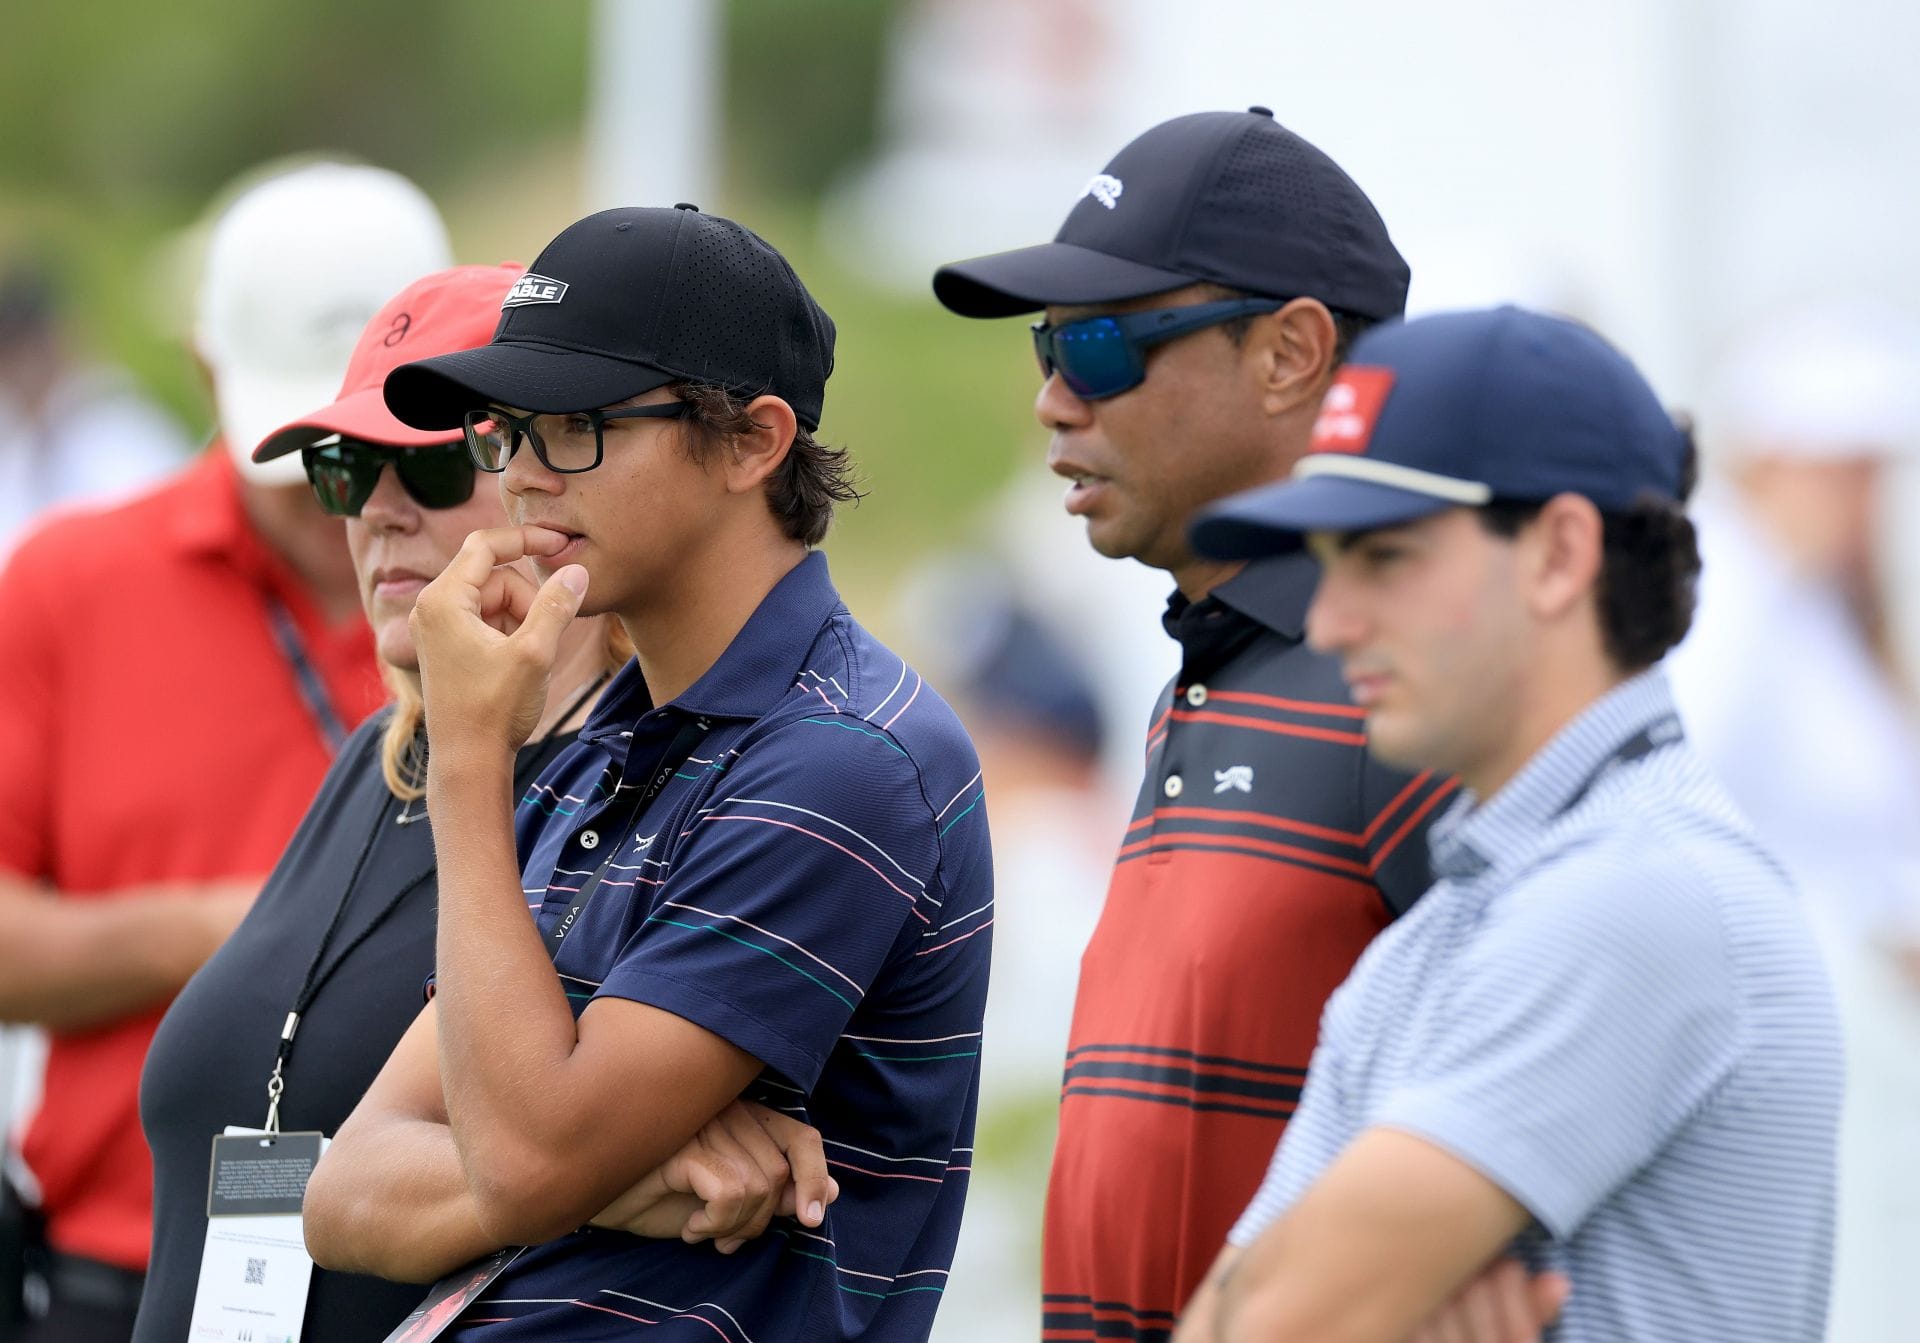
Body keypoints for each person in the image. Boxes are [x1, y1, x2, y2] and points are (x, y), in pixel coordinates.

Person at [302, 203, 993, 1342]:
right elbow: (344, 1191)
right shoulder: (609, 744)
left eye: (574, 427)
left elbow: (522, 1162)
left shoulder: (848, 756)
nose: (523, 478)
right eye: (505, 432)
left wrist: (469, 757)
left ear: (753, 442)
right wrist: (616, 1174)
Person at [1176, 306, 1842, 1342]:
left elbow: (1262, 1321)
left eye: (1382, 557)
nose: (1331, 621)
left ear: (1560, 552)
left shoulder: (1633, 893)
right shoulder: (1454, 924)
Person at [931, 106, 1449, 1340]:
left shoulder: (1414, 697)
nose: (1053, 400)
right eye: (1047, 346)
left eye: (1099, 345)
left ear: (1290, 353)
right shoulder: (1208, 672)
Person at [0, 161, 450, 1343]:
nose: (344, 496)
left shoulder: (522, 600)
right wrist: (249, 937)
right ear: (208, 371)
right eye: (308, 452)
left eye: (388, 441)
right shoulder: (69, 583)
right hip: (123, 1268)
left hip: (448, 1269)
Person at [1665, 305, 1920, 1343]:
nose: (1859, 498)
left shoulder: (1818, 602)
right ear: (1770, 460)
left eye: (1868, 470)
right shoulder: (1725, 595)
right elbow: (1688, 800)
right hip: (1799, 1021)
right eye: (1836, 468)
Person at [0, 260, 189, 557]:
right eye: (11, 352)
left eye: (30, 346)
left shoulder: (121, 427)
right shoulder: (16, 450)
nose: (23, 366)